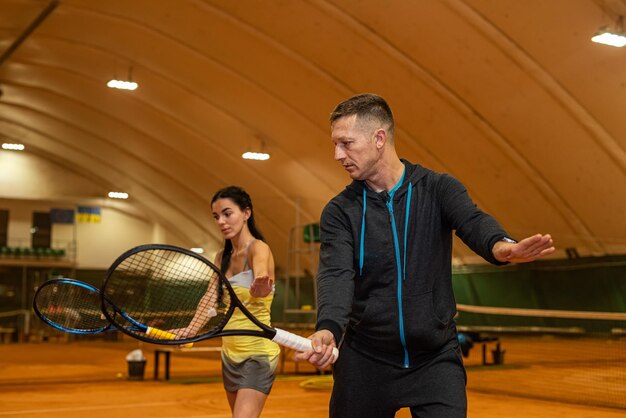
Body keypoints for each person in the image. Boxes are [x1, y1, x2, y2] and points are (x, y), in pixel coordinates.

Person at [295, 93, 555, 418]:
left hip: (435, 360)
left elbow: (472, 221)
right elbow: (335, 274)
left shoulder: (438, 189)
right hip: (365, 362)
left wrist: (501, 246)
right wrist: (329, 329)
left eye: (346, 143)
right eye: (335, 144)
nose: (337, 154)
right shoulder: (339, 211)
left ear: (379, 138)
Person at [175, 185, 279, 418]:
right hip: (230, 354)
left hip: (257, 353)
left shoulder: (259, 248)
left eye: (227, 213)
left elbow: (261, 276)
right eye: (216, 216)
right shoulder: (221, 257)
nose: (221, 221)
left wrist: (261, 284)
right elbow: (210, 297)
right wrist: (191, 329)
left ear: (246, 214)